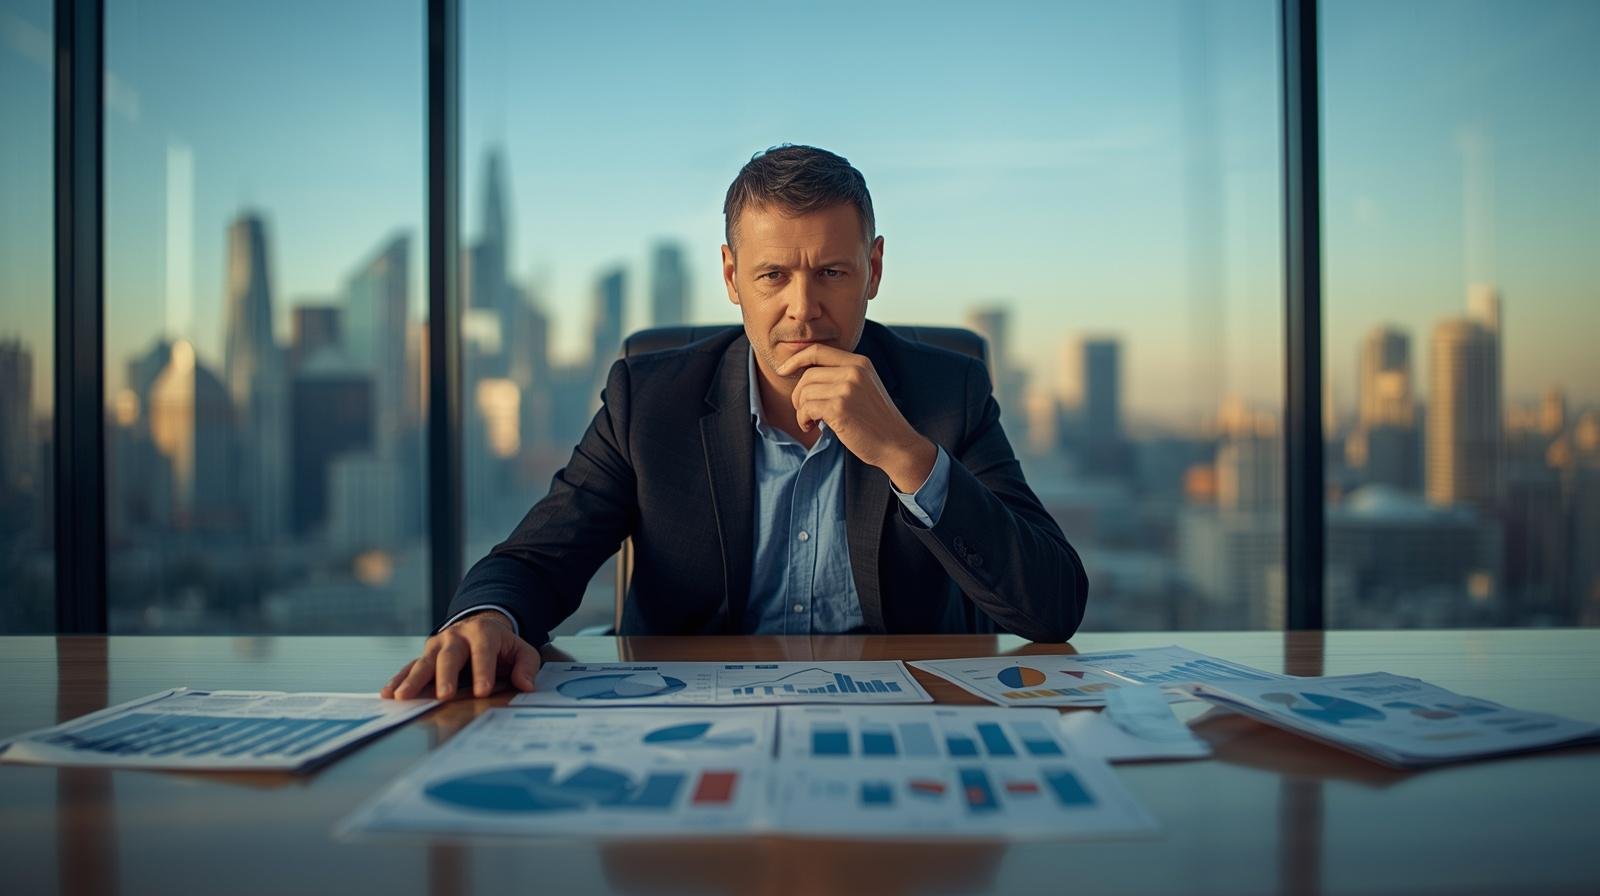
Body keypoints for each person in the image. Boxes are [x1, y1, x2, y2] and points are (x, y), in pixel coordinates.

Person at [383, 145, 1088, 701]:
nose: (804, 309)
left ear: (874, 269)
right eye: (773, 275)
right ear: (730, 277)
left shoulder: (946, 391)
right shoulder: (649, 399)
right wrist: (487, 620)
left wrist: (907, 455)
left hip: (899, 720)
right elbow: (536, 560)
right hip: (694, 718)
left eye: (833, 274)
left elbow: (1053, 607)